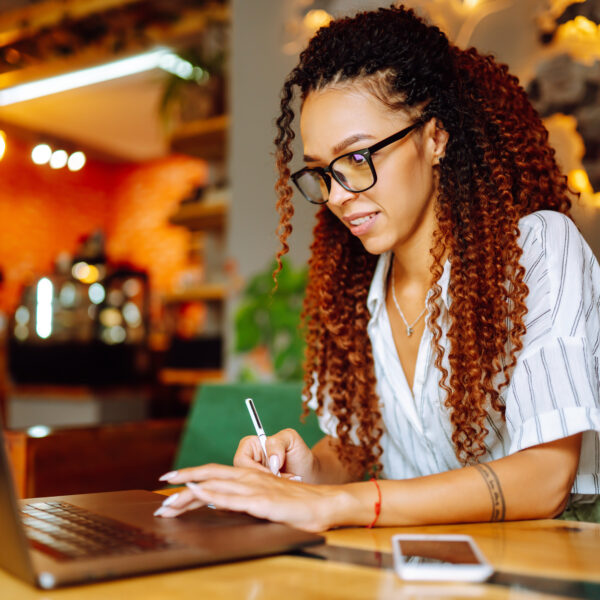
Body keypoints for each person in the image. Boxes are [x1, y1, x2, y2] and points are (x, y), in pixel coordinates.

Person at [155, 5, 600, 531]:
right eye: (322, 172)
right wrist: (310, 468)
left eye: (359, 157)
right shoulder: (359, 288)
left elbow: (545, 477)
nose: (339, 196)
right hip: (407, 572)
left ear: (434, 137)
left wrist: (339, 505)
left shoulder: (537, 251)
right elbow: (363, 445)